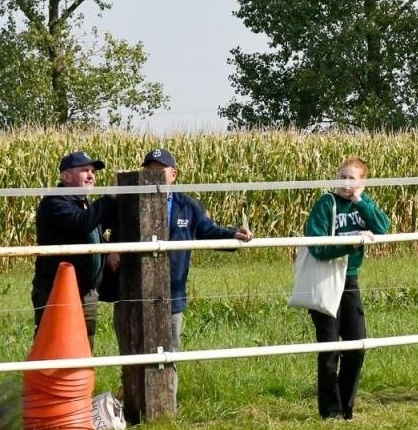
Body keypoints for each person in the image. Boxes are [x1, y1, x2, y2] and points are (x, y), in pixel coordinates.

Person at [106, 147, 254, 348]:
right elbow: (108, 227)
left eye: (161, 170)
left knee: (170, 353)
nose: (154, 175)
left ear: (173, 174)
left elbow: (207, 230)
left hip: (171, 295)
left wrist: (233, 235)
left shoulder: (187, 205)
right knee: (132, 350)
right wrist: (111, 250)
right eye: (150, 170)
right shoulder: (129, 202)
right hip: (132, 291)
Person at [302, 156, 391, 419]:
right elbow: (316, 246)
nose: (345, 183)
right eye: (341, 177)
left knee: (357, 345)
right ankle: (330, 412)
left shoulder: (363, 204)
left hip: (350, 280)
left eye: (352, 178)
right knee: (329, 349)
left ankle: (345, 407)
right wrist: (349, 244)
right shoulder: (325, 204)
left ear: (362, 182)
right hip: (325, 279)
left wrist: (360, 201)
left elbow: (383, 228)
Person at [32, 150, 117, 347]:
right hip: (57, 290)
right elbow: (81, 224)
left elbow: (95, 231)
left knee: (84, 345)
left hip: (86, 290)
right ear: (66, 176)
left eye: (93, 171)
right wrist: (111, 197)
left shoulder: (84, 204)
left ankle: (82, 379)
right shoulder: (55, 203)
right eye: (84, 170)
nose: (91, 175)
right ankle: (45, 379)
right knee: (54, 342)